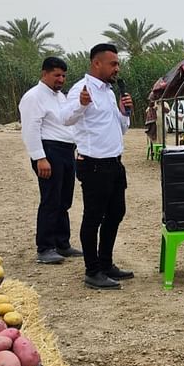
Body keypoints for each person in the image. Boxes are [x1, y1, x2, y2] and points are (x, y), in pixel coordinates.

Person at [61, 43, 133, 290]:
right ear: (97, 64)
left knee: (116, 213)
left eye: (117, 64)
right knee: (93, 217)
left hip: (114, 162)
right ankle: (92, 271)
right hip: (93, 164)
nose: (117, 68)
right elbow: (66, 118)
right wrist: (81, 104)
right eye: (113, 63)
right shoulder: (81, 89)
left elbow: (120, 128)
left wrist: (125, 113)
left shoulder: (109, 92)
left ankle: (106, 263)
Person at [19, 57, 84, 264]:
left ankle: (62, 243)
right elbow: (30, 128)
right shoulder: (34, 97)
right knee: (50, 199)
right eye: (57, 75)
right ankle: (45, 247)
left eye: (64, 75)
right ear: (44, 73)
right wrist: (40, 157)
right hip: (49, 150)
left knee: (64, 199)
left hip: (66, 150)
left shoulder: (60, 97)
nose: (61, 79)